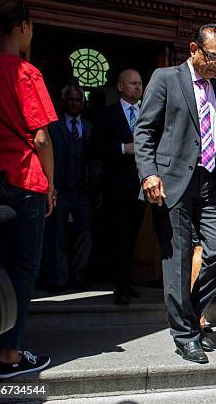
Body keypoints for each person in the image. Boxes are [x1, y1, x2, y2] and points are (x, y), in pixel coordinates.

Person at [135, 23, 216, 364]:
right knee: (178, 263)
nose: (215, 65)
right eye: (211, 57)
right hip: (173, 183)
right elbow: (145, 130)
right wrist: (148, 173)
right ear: (194, 49)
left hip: (211, 185)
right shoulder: (165, 79)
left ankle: (190, 315)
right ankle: (185, 335)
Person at [0, 0, 56, 378]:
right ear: (23, 25)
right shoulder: (26, 72)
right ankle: (10, 354)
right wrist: (52, 184)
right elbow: (41, 138)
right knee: (23, 269)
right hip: (25, 178)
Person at [93, 69, 145, 305]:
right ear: (121, 87)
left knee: (133, 235)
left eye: (140, 83)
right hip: (115, 185)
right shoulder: (107, 115)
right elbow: (95, 148)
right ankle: (119, 286)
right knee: (117, 235)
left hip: (141, 186)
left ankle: (127, 282)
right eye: (132, 83)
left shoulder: (148, 114)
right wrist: (124, 148)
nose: (137, 87)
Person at [43, 85, 93, 293]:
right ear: (63, 102)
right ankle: (58, 278)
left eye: (78, 100)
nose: (74, 104)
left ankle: (77, 276)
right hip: (59, 189)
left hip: (83, 191)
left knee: (85, 233)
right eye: (71, 100)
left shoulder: (89, 127)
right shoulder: (53, 126)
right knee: (57, 234)